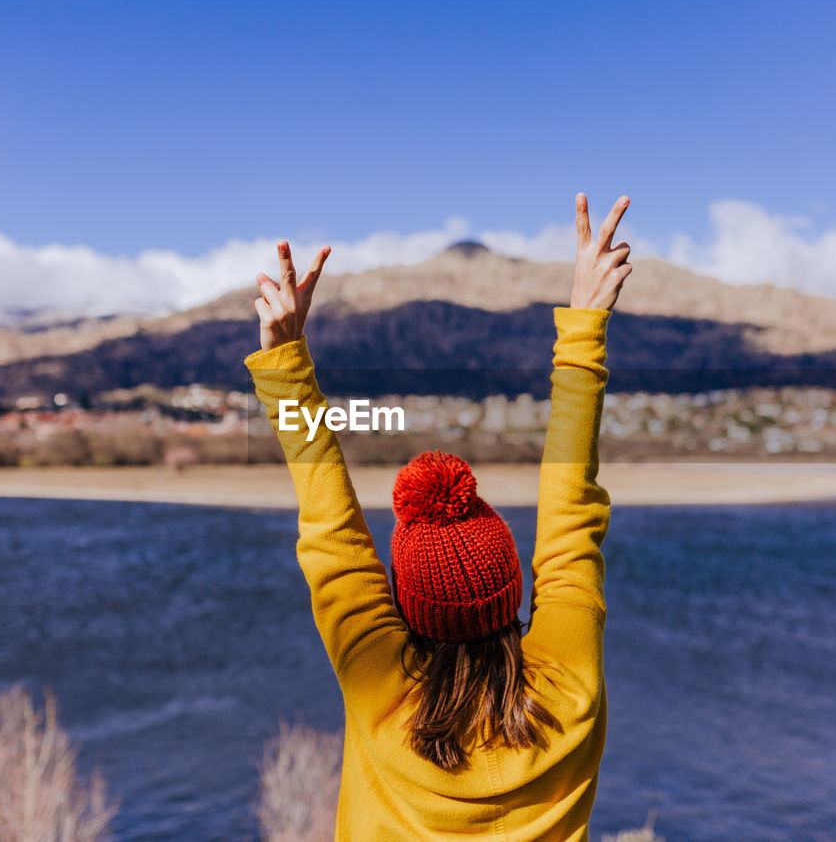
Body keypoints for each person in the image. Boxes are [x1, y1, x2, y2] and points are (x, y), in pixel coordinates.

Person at [244, 193, 634, 841]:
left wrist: (286, 363)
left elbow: (331, 529)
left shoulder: (379, 689)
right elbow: (571, 524)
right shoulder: (570, 690)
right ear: (512, 586)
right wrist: (585, 325)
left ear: (406, 600)